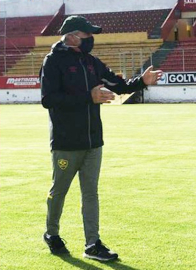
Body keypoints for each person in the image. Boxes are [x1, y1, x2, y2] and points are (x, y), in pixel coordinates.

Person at [40, 16, 162, 261]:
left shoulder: (91, 62)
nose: (91, 39)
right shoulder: (53, 62)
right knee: (59, 191)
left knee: (90, 194)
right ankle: (52, 234)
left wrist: (141, 82)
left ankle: (92, 244)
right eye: (88, 35)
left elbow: (118, 85)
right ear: (73, 36)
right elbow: (49, 100)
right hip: (66, 143)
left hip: (94, 142)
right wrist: (89, 97)